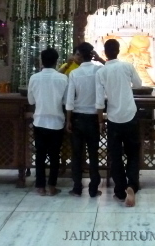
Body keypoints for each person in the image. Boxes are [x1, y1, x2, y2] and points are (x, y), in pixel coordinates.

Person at [95, 38, 142, 207]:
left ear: (105, 53)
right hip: (130, 114)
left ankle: (120, 191)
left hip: (113, 118)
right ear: (119, 50)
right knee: (133, 153)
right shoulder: (127, 66)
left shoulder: (101, 72)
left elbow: (99, 101)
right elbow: (138, 84)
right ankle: (132, 185)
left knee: (115, 156)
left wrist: (101, 121)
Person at [27, 47, 68, 196]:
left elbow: (31, 100)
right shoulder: (63, 78)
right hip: (57, 122)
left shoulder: (34, 78)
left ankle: (40, 186)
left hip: (39, 120)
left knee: (40, 155)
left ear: (41, 61)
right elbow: (66, 102)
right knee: (55, 155)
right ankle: (52, 186)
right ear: (56, 62)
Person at [66, 42, 103, 198]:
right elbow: (100, 99)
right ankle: (93, 189)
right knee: (93, 154)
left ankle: (77, 187)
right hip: (94, 118)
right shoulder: (99, 71)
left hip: (78, 118)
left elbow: (69, 100)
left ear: (80, 55)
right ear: (92, 55)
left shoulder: (74, 74)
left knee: (77, 154)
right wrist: (101, 121)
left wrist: (68, 120)